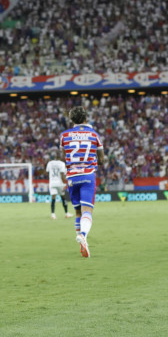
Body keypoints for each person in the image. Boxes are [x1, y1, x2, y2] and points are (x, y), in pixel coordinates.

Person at [60, 106, 105, 258]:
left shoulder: (64, 135)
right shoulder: (94, 134)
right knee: (88, 211)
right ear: (86, 118)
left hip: (72, 177)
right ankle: (83, 235)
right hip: (88, 175)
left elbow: (64, 155)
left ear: (72, 120)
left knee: (78, 211)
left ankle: (82, 243)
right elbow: (102, 159)